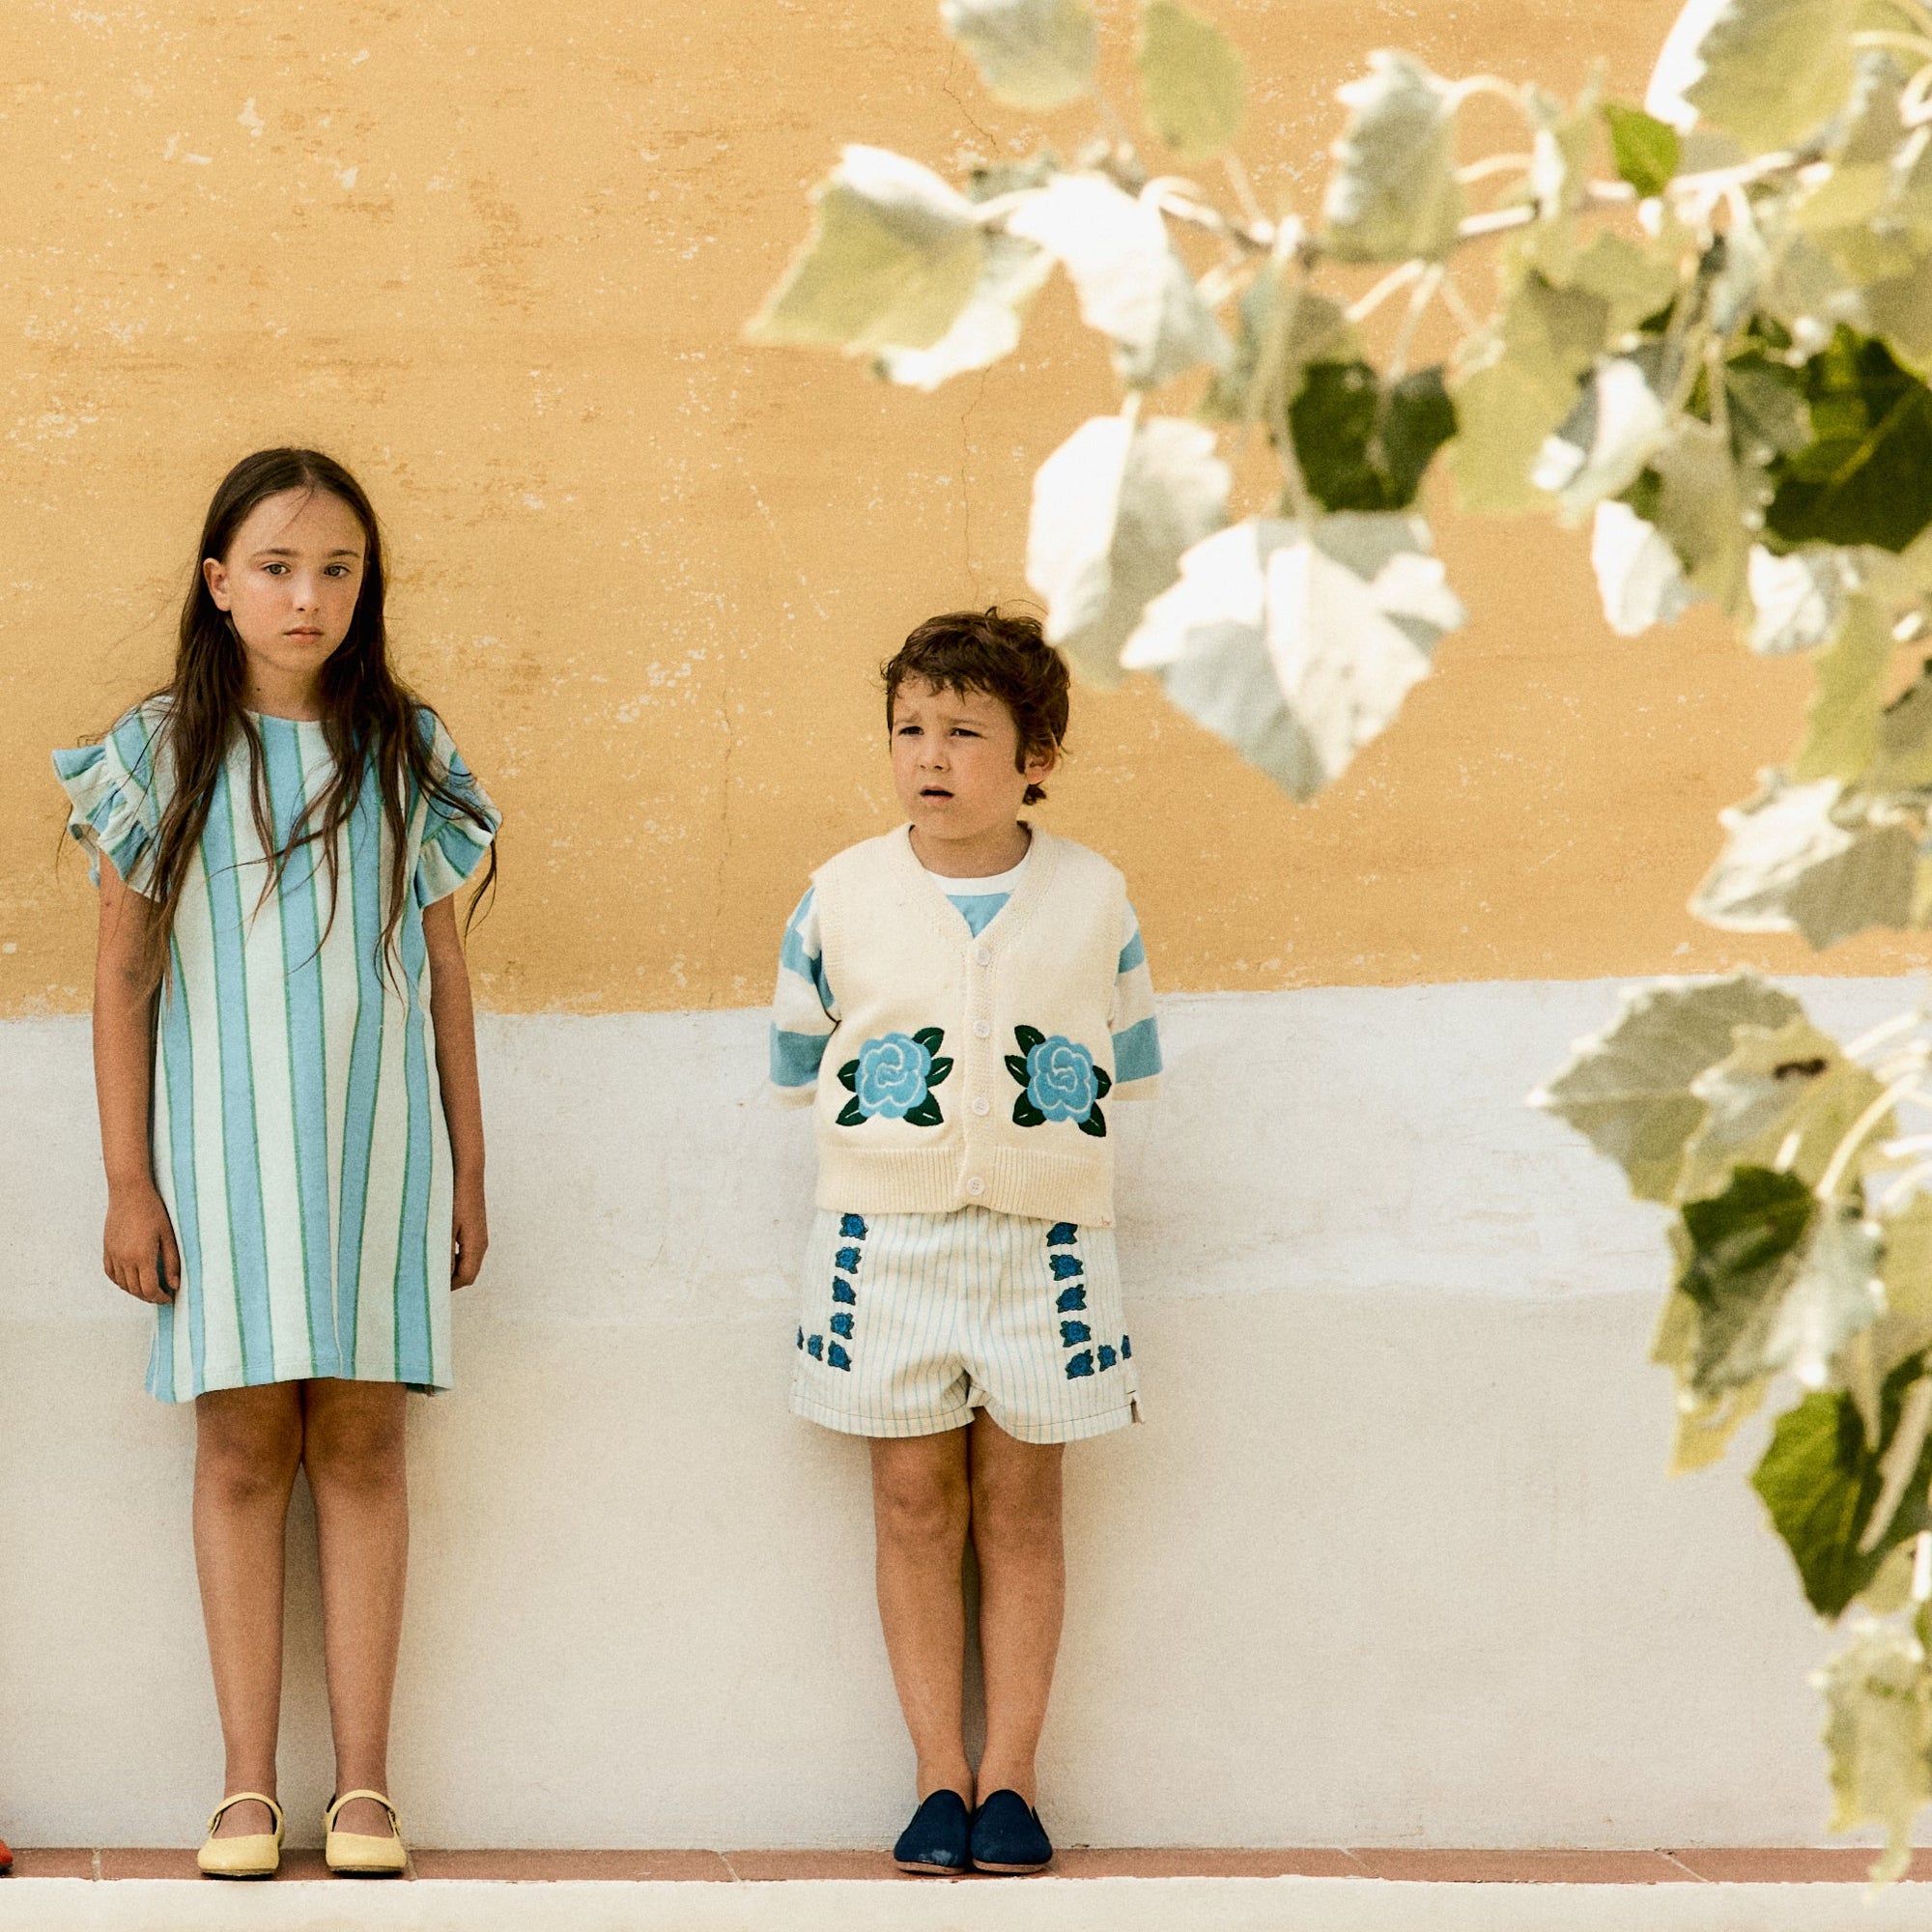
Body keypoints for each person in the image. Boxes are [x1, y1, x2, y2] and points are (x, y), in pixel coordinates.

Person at [52, 448, 499, 1880]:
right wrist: (130, 1182)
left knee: (364, 1442)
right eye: (277, 567)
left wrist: (469, 1169)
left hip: (374, 1157)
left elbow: (440, 973)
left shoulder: (402, 750)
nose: (307, 597)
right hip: (218, 1161)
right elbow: (121, 981)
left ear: (367, 588)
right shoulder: (158, 752)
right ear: (219, 584)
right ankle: (245, 1785)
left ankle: (362, 1787)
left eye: (337, 570)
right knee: (245, 1446)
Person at [769, 608, 1161, 1875]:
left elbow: (1128, 1059)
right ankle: (938, 1773)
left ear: (1034, 753)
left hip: (1044, 1243)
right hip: (885, 1239)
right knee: (911, 1500)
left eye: (965, 732)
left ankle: (1015, 1780)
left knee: (1026, 1502)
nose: (930, 756)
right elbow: (797, 1058)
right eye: (909, 729)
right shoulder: (841, 895)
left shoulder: (1094, 897)